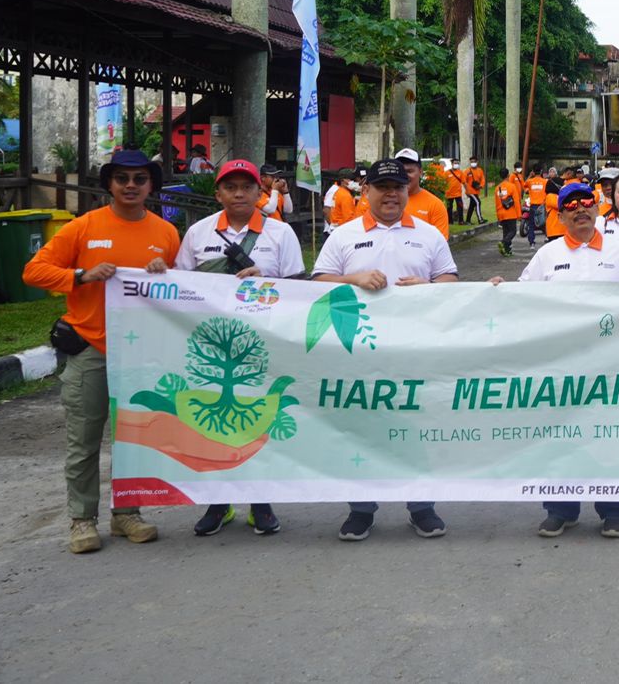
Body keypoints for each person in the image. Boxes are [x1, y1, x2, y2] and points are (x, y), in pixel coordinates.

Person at [22, 149, 179, 554]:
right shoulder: (84, 227)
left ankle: (127, 512)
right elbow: (33, 271)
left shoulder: (165, 234)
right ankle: (82, 519)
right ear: (109, 183)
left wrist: (168, 273)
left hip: (141, 354)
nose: (131, 186)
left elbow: (180, 294)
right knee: (84, 440)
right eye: (122, 178)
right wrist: (80, 275)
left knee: (135, 439)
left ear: (150, 186)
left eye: (139, 179)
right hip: (91, 348)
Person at [495, 181, 619, 536]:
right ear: (561, 215)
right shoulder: (548, 255)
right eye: (572, 206)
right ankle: (561, 508)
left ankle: (614, 510)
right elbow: (522, 297)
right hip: (563, 364)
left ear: (597, 208)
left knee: (612, 437)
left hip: (614, 364)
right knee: (561, 435)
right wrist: (499, 291)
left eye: (587, 203)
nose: (581, 210)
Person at [313, 158, 458, 541]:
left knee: (416, 428)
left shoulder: (429, 235)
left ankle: (421, 507)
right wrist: (353, 279)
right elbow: (316, 283)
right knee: (363, 430)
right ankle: (361, 508)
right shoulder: (343, 236)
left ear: (407, 190)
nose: (392, 193)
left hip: (416, 349)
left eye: (398, 186)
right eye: (382, 187)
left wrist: (429, 288)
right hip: (360, 351)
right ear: (366, 192)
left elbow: (451, 279)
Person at [175, 159, 305, 538]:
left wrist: (265, 280)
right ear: (218, 194)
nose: (238, 193)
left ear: (258, 192)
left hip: (264, 344)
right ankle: (218, 502)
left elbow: (300, 288)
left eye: (246, 187)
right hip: (211, 346)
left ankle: (261, 502)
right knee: (214, 423)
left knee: (257, 420)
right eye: (229, 187)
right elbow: (181, 284)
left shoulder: (280, 234)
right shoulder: (197, 234)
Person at [394, 148, 451, 241]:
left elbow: (440, 247)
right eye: (401, 171)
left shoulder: (435, 205)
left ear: (420, 172)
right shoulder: (385, 203)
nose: (404, 176)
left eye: (409, 171)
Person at [494, 167, 522, 256]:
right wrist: (519, 215)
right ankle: (503, 242)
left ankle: (507, 251)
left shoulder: (497, 188)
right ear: (508, 175)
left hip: (501, 213)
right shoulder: (512, 186)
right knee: (512, 231)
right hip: (510, 213)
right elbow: (516, 202)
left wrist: (498, 216)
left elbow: (496, 203)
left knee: (506, 232)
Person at [524, 167, 549, 242]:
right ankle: (547, 237)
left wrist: (529, 175)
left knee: (531, 224)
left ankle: (531, 242)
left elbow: (524, 186)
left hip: (533, 205)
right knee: (545, 222)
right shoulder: (545, 181)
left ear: (533, 172)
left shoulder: (529, 181)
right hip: (542, 205)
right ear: (541, 171)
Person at [443, 158, 466, 224]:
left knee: (460, 207)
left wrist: (467, 191)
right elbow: (443, 182)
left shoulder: (460, 172)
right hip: (449, 194)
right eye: (455, 163)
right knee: (449, 208)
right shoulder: (447, 173)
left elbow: (464, 182)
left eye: (457, 163)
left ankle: (461, 221)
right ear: (452, 164)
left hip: (458, 194)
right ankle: (450, 221)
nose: (456, 164)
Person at [466, 157, 486, 224]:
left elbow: (483, 179)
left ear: (477, 162)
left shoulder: (480, 170)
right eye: (471, 162)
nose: (473, 163)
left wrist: (481, 186)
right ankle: (480, 219)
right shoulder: (467, 171)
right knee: (478, 202)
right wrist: (467, 191)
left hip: (476, 191)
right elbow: (464, 181)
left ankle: (468, 221)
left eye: (474, 161)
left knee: (472, 206)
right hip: (470, 191)